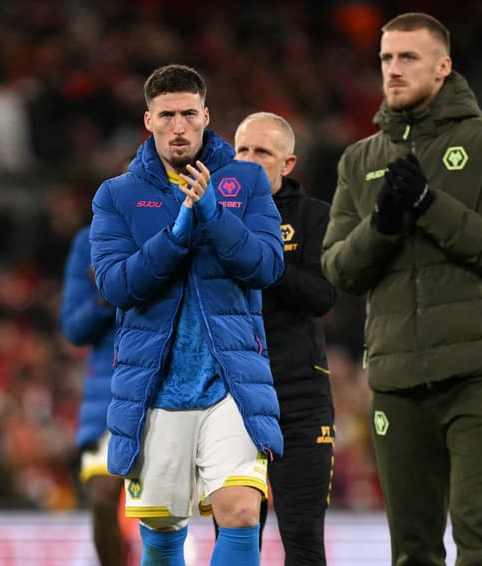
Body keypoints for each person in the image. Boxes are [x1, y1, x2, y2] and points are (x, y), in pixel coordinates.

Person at [321, 12, 482, 565]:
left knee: (481, 546)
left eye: (408, 57)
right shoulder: (359, 161)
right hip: (397, 377)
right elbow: (340, 269)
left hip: (481, 370)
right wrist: (384, 225)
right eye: (386, 58)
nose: (393, 69)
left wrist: (428, 206)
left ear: (443, 66)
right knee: (411, 552)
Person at [90, 63, 285, 565]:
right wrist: (177, 234)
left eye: (189, 114)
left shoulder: (245, 181)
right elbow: (116, 286)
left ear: (206, 116)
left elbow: (266, 265)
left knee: (241, 509)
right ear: (148, 120)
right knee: (161, 531)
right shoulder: (117, 195)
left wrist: (213, 217)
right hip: (155, 383)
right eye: (168, 115)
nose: (179, 126)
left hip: (230, 379)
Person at [229, 112, 336, 564]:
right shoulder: (211, 212)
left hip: (298, 398)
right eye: (242, 150)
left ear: (287, 163)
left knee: (303, 537)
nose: (249, 161)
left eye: (263, 152)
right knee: (236, 532)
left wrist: (260, 260)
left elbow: (322, 295)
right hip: (231, 398)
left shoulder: (315, 217)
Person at [60, 225, 129, 566]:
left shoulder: (181, 226)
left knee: (166, 508)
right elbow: (73, 327)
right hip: (110, 391)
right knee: (103, 498)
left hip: (169, 382)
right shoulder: (89, 242)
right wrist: (105, 298)